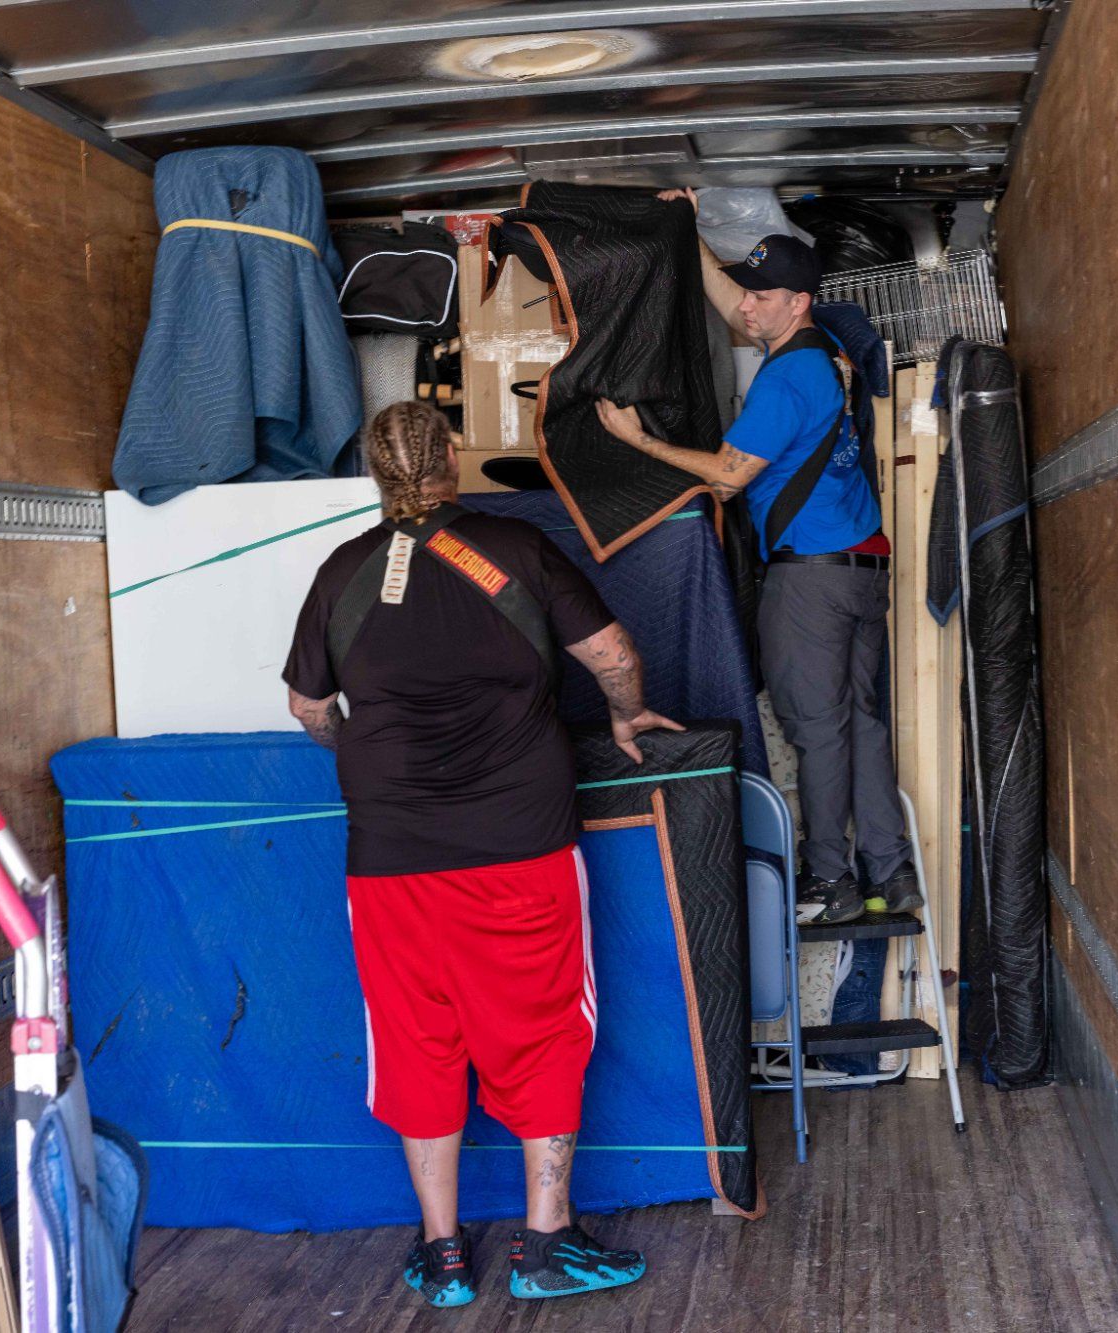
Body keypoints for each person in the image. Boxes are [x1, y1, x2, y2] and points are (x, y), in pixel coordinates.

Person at [283, 402, 682, 1308]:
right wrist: (624, 710)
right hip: (519, 845)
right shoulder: (511, 547)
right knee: (541, 1025)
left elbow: (309, 709)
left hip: (389, 859)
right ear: (451, 458)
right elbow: (613, 651)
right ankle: (546, 1245)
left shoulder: (341, 572)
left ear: (376, 475)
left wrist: (368, 754)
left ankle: (444, 1253)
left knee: (415, 1036)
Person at [595, 192, 920, 927]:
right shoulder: (821, 353)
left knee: (816, 729)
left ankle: (830, 880)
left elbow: (727, 475)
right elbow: (735, 299)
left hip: (811, 580)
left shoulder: (783, 379)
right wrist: (690, 239)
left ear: (799, 302)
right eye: (747, 290)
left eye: (762, 296)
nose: (746, 307)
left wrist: (635, 439)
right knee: (860, 724)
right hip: (861, 570)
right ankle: (890, 870)